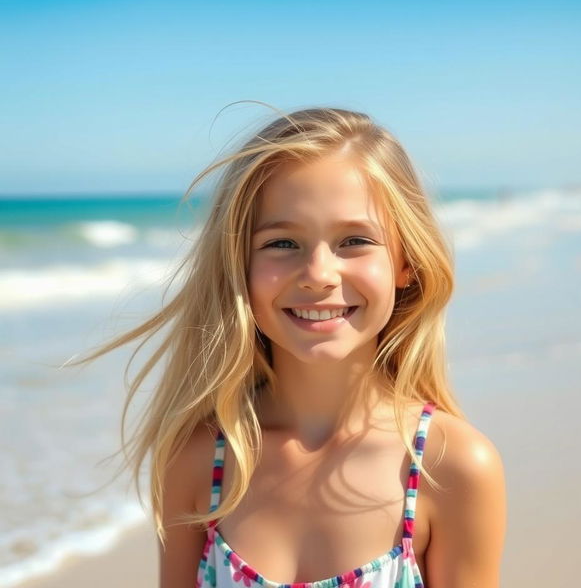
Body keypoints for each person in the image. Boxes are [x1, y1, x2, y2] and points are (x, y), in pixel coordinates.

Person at [81, 106, 506, 587]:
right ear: (237, 266)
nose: (319, 275)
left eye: (355, 240)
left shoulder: (449, 469)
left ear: (405, 263)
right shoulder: (202, 459)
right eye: (282, 243)